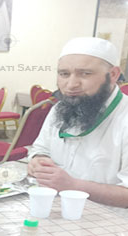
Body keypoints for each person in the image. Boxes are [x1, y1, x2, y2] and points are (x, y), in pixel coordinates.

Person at [27, 37, 128, 208]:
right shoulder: (62, 107)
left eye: (85, 74)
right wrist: (39, 160)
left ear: (113, 75)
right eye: (64, 74)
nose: (71, 84)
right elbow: (40, 148)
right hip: (57, 209)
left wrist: (73, 186)